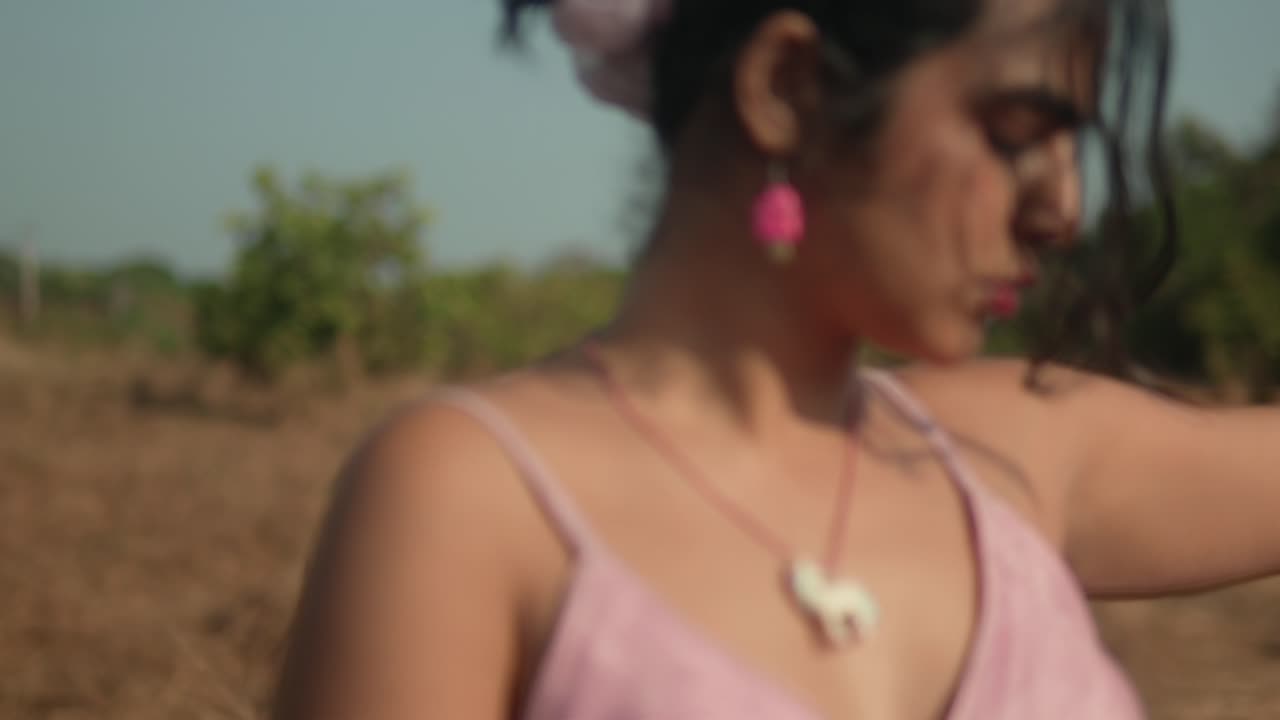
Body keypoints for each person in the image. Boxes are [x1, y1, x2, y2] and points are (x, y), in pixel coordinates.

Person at [270, 1, 1279, 718]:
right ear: (785, 85)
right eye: (1015, 130)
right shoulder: (471, 502)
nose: (1059, 211)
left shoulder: (1018, 456)